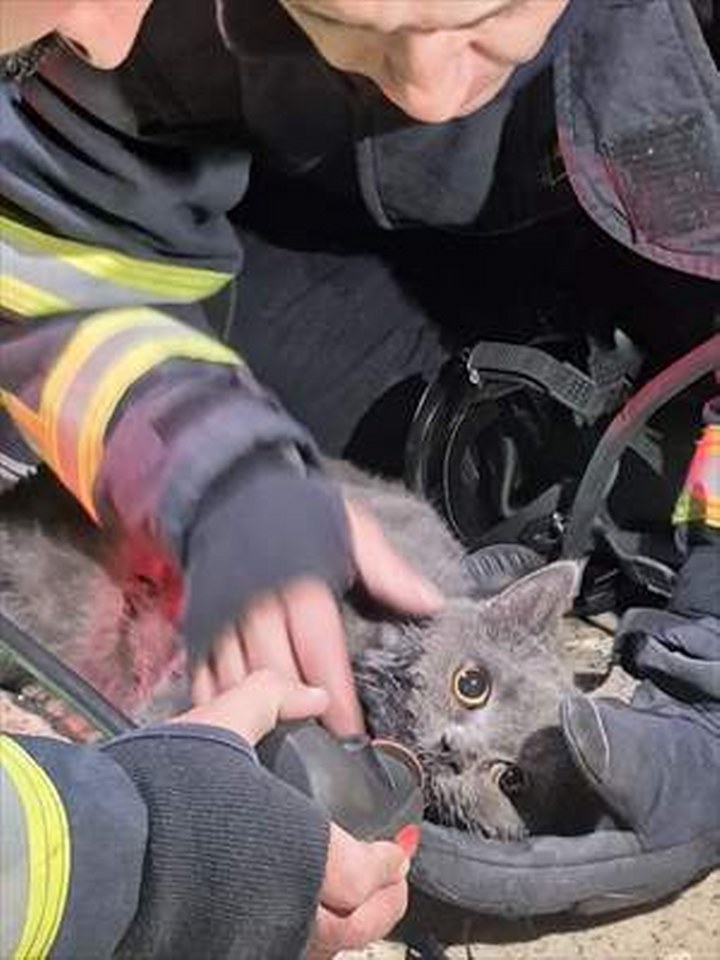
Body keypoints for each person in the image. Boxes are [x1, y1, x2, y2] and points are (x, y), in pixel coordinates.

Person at [0, 0, 718, 954]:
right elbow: (57, 224)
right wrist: (205, 450)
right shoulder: (112, 20)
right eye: (338, 14)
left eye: (485, 13)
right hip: (320, 231)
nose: (430, 88)